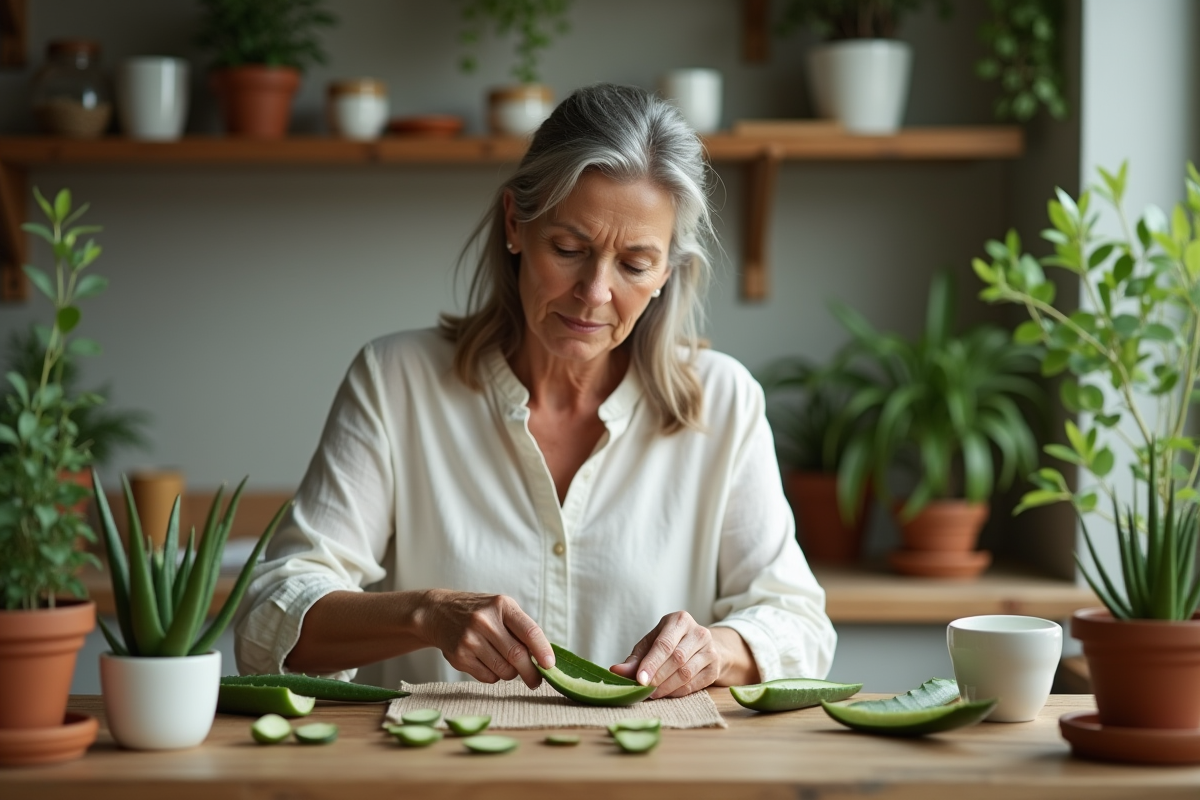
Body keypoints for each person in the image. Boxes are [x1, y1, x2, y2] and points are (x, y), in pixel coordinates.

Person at [235, 83, 836, 698]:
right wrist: (425, 614)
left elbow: (801, 626)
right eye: (569, 248)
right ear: (515, 225)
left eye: (633, 265)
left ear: (666, 273)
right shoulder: (396, 381)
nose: (595, 292)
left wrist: (714, 651)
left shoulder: (725, 400)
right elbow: (268, 615)